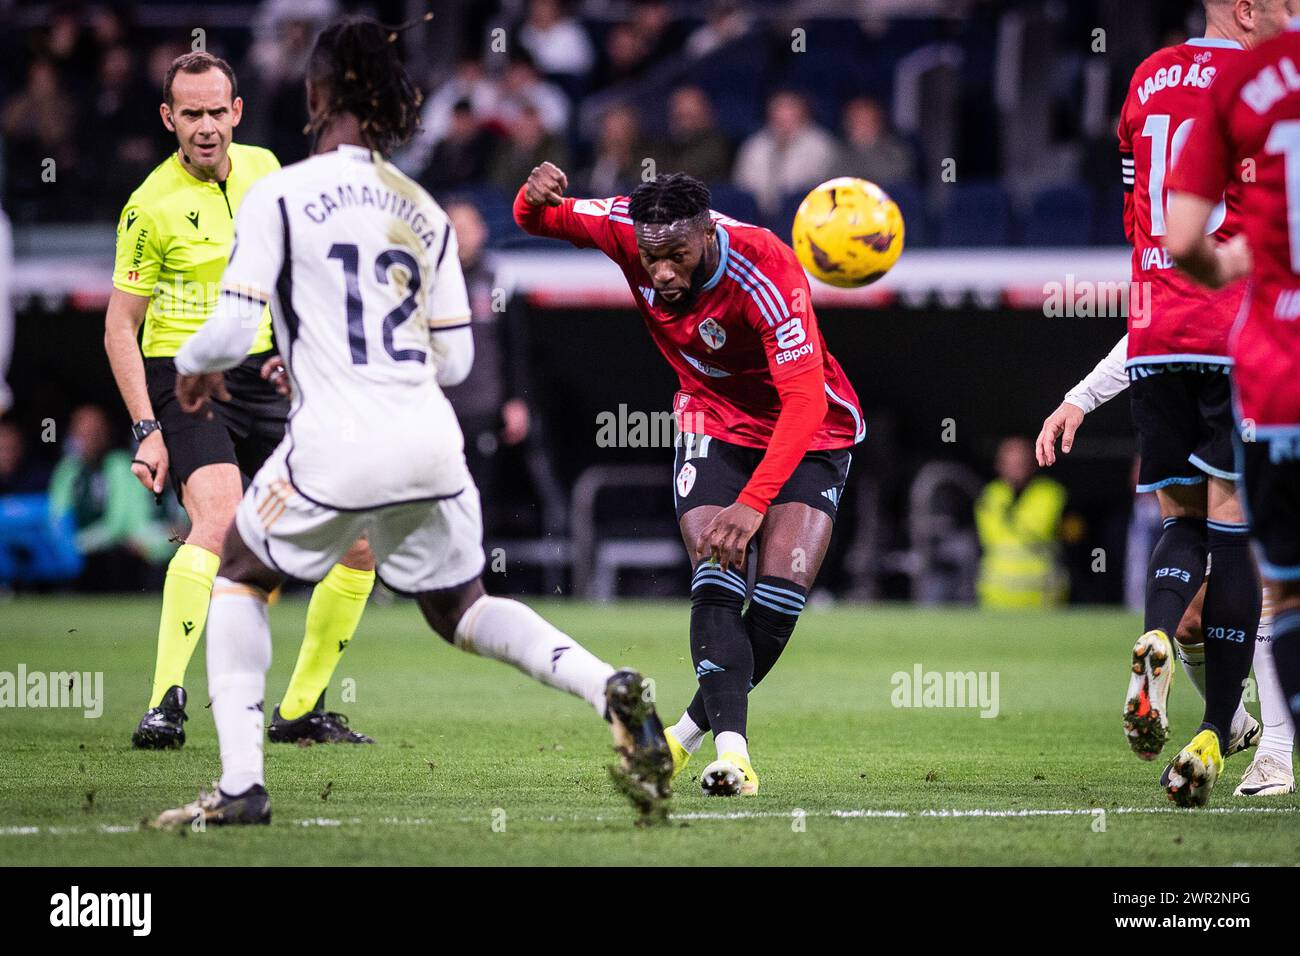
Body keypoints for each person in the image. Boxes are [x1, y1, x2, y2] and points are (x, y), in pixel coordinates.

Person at [153, 15, 671, 828]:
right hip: (430, 438)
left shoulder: (280, 192)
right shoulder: (424, 208)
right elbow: (457, 362)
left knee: (242, 575)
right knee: (461, 607)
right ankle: (605, 684)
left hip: (337, 444)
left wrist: (191, 371)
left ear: (316, 95)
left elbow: (225, 330)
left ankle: (243, 786)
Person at [515, 163, 864, 797]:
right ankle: (736, 754)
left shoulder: (766, 270)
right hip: (712, 420)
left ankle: (677, 738)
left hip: (809, 427)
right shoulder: (627, 228)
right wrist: (530, 196)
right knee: (716, 572)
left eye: (677, 256)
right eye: (653, 260)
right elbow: (539, 219)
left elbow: (805, 402)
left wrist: (755, 502)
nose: (664, 272)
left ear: (706, 234)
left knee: (780, 601)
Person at [1037, 0, 1293, 808]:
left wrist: (1080, 394)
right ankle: (1232, 735)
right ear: (1246, 9)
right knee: (1250, 547)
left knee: (1184, 534)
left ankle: (1164, 639)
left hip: (1155, 335)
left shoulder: (1146, 78)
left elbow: (1154, 230)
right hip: (1245, 339)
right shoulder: (1271, 87)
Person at [104, 50, 375, 750]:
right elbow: (118, 328)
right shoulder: (149, 206)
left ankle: (301, 710)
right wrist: (145, 429)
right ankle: (165, 701)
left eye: (215, 111)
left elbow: (295, 270)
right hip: (186, 378)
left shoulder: (265, 170)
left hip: (264, 374)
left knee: (359, 545)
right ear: (169, 118)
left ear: (237, 113)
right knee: (220, 522)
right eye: (189, 113)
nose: (204, 126)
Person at [1038, 332, 1293, 797]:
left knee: (1266, 581)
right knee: (1192, 620)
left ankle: (1275, 755)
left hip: (1264, 395)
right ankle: (1231, 722)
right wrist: (1082, 397)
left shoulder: (1257, 267)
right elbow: (1153, 323)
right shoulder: (1185, 274)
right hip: (1206, 386)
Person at [1165, 4, 1300, 807]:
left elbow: (1183, 242)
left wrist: (1237, 265)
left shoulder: (1239, 84)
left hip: (1279, 372)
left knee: (1282, 592)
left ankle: (1277, 755)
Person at [47, 405, 173, 590]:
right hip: (74, 551)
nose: (90, 439)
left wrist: (78, 544)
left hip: (114, 551)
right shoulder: (67, 470)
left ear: (107, 433)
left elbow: (121, 524)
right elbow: (56, 514)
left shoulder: (120, 466)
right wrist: (68, 544)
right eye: (83, 433)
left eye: (96, 432)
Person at [974, 437, 1067, 609]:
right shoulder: (990, 494)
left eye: (1021, 462)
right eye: (1009, 462)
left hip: (1042, 598)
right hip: (995, 598)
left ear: (1033, 463)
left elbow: (1040, 527)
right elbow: (990, 535)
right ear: (998, 465)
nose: (1015, 469)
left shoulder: (1050, 493)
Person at [732, 91, 839, 219]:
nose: (783, 122)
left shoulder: (820, 145)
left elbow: (815, 185)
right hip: (758, 214)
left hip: (805, 215)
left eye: (790, 116)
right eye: (778, 117)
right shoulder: (754, 145)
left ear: (803, 115)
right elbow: (743, 184)